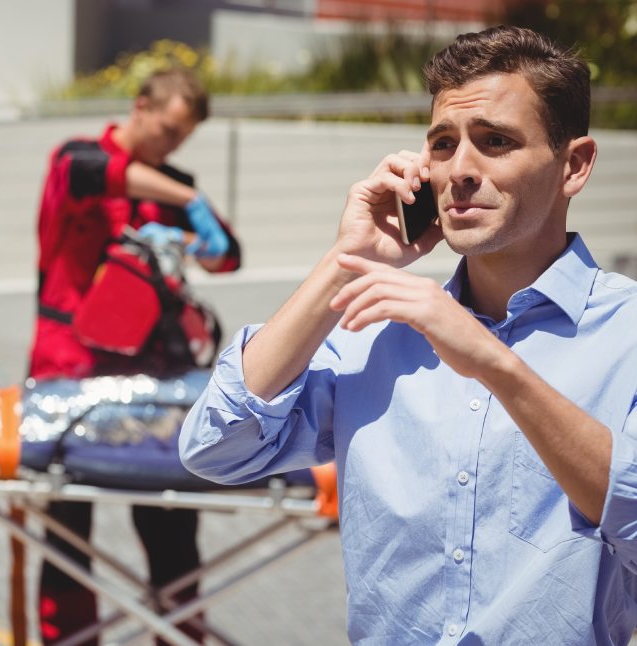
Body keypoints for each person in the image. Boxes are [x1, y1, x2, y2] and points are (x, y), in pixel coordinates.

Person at [180, 25, 637, 643]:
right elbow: (216, 447)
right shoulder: (377, 323)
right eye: (443, 144)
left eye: (496, 141)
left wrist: (496, 365)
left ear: (574, 166)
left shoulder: (626, 334)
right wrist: (346, 258)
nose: (461, 170)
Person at [29, 67, 241, 645]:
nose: (171, 146)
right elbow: (91, 173)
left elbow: (228, 256)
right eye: (168, 130)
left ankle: (177, 634)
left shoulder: (170, 185)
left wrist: (207, 240)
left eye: (182, 139)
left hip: (150, 382)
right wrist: (188, 196)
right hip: (68, 373)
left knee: (171, 526)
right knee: (65, 534)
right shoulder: (75, 162)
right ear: (140, 105)